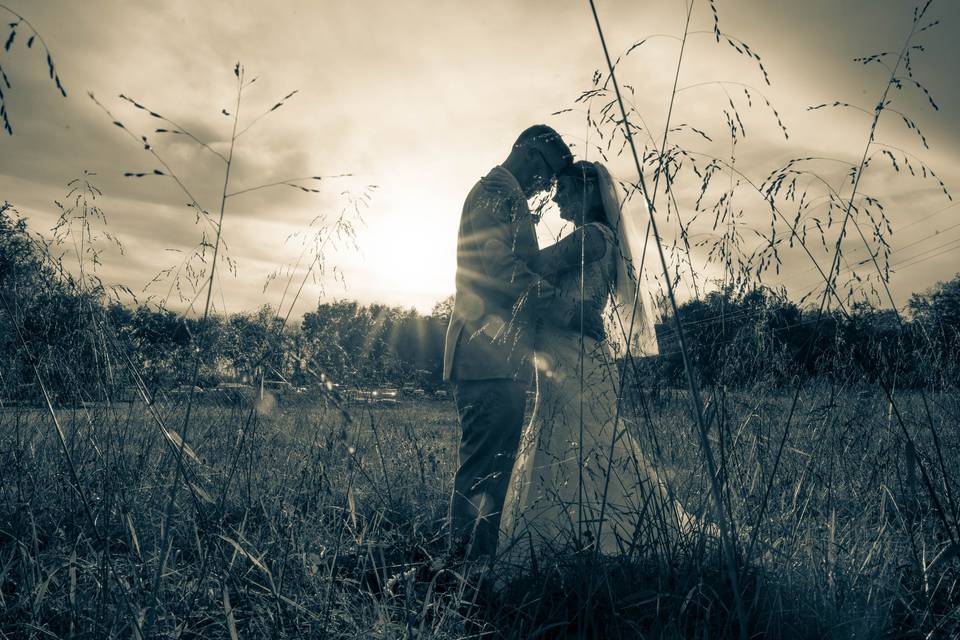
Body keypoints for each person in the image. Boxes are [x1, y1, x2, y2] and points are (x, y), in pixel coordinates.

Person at [497, 160, 711, 570]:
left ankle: (589, 537)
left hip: (575, 358)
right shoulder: (593, 237)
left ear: (588, 191)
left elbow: (531, 267)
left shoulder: (592, 238)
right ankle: (571, 537)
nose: (556, 196)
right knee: (573, 442)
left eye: (563, 189)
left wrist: (522, 221)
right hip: (568, 357)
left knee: (584, 443)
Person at [443, 125, 604, 561]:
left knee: (493, 471)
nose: (546, 188)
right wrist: (568, 312)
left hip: (499, 355)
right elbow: (501, 271)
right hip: (484, 354)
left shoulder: (503, 196)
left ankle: (475, 569)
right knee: (483, 471)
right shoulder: (495, 193)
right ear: (531, 156)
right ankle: (465, 573)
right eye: (548, 175)